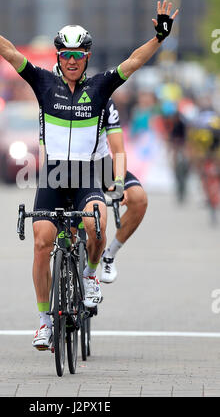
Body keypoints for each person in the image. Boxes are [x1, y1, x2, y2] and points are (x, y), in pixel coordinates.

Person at [0, 0, 178, 349]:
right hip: (53, 174)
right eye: (66, 55)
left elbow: (133, 61)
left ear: (87, 56)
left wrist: (159, 37)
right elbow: (9, 51)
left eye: (79, 55)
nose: (73, 60)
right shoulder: (43, 83)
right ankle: (44, 321)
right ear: (59, 57)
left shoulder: (100, 87)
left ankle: (92, 274)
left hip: (85, 175)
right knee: (41, 242)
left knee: (97, 222)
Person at [53, 63, 148, 283]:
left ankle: (109, 255)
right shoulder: (52, 101)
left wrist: (119, 182)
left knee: (138, 198)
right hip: (67, 166)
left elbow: (118, 149)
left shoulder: (103, 100)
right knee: (71, 231)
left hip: (100, 164)